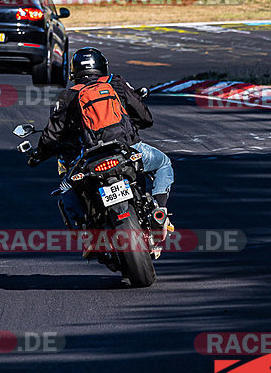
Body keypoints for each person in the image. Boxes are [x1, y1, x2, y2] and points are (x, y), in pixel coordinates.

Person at [28, 47, 174, 239]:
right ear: (102, 67)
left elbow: (52, 135)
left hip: (90, 156)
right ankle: (159, 211)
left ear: (74, 72)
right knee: (163, 163)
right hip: (127, 149)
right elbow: (145, 117)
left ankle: (87, 234)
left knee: (67, 187)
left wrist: (37, 155)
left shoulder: (67, 96)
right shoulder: (117, 83)